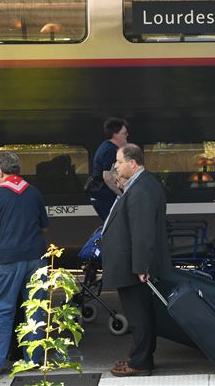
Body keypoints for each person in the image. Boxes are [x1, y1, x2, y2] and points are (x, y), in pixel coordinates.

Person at [101, 143, 171, 378]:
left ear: (132, 163)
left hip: (133, 265)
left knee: (138, 316)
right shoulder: (141, 185)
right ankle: (140, 357)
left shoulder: (141, 189)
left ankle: (140, 362)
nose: (116, 167)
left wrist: (141, 266)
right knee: (142, 313)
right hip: (132, 264)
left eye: (119, 162)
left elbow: (142, 232)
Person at [0, 151, 49, 375]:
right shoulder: (34, 192)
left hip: (8, 259)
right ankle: (33, 358)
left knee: (3, 309)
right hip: (36, 257)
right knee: (35, 308)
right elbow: (44, 227)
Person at [89, 117, 129, 220]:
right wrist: (122, 195)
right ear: (115, 135)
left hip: (101, 194)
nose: (127, 136)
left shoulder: (105, 146)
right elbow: (107, 177)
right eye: (124, 133)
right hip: (106, 196)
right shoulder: (111, 150)